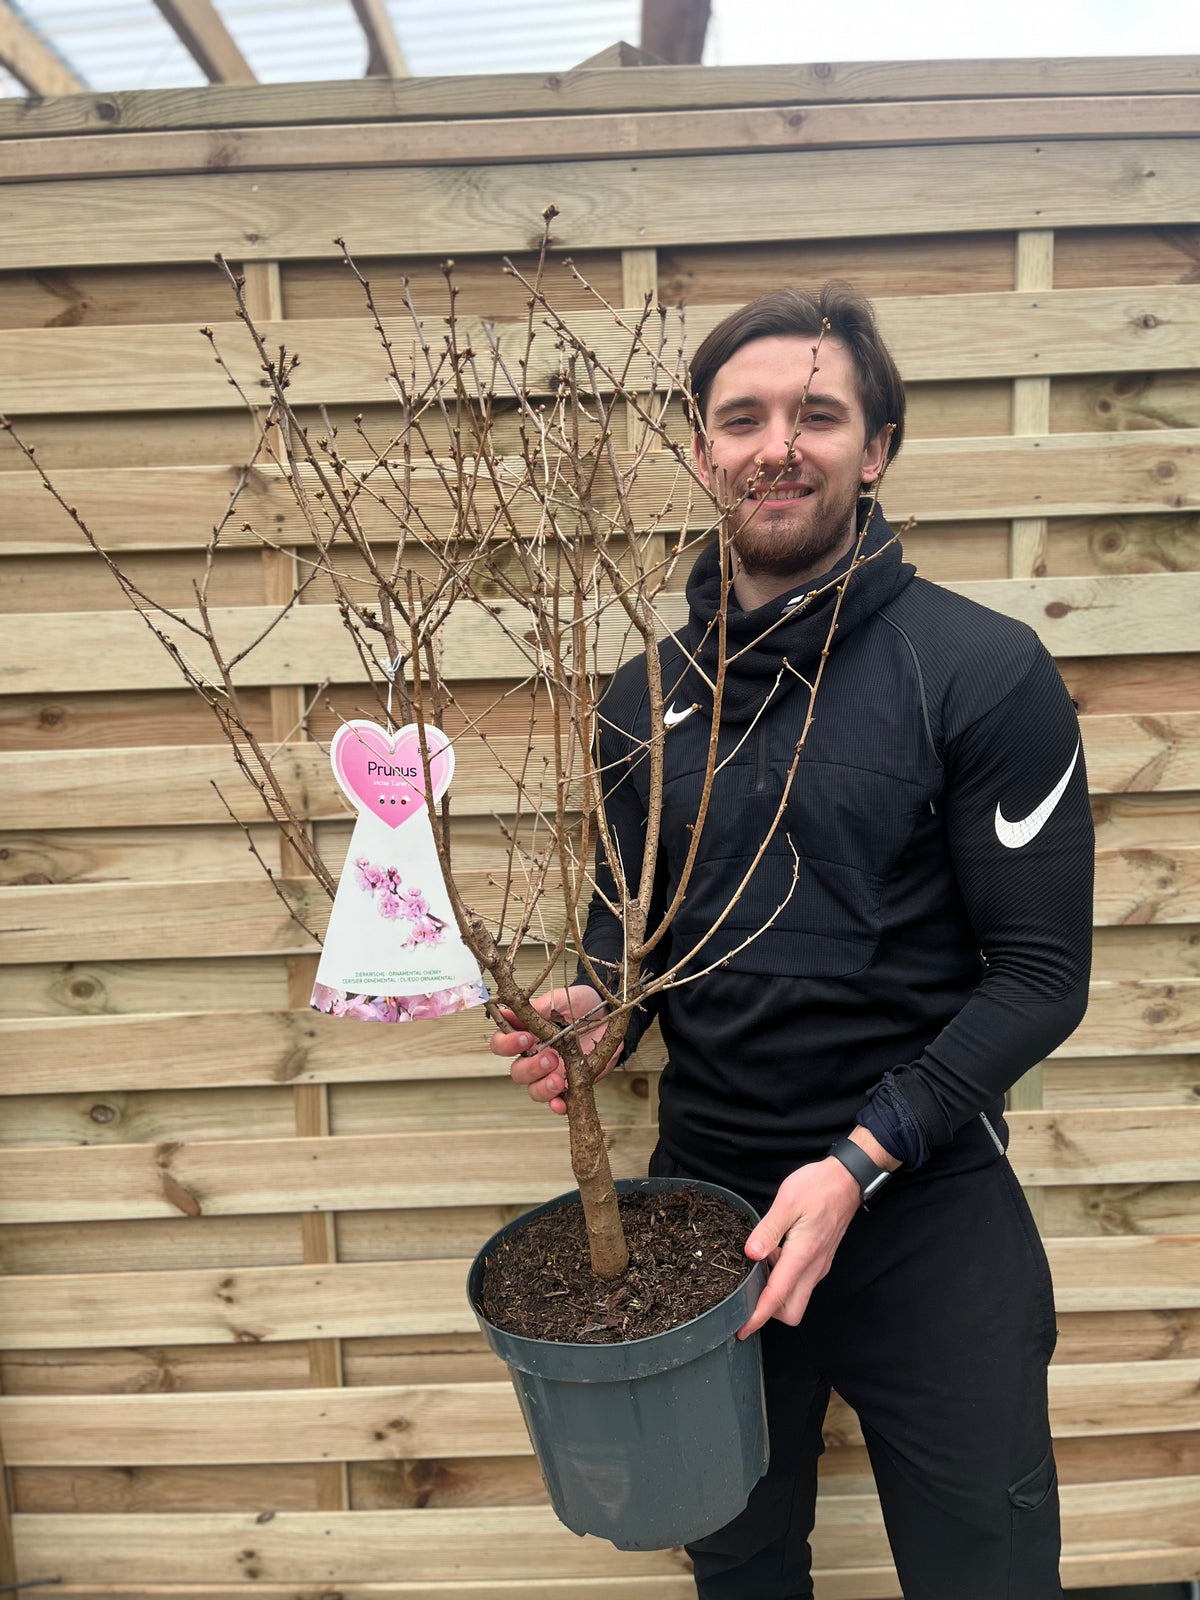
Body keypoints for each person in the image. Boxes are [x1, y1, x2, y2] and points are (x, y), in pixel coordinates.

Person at [490, 285, 1093, 1599]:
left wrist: (862, 1156)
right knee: (740, 1565)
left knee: (989, 1567)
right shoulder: (641, 704)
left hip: (925, 1210)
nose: (779, 443)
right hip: (704, 1223)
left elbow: (1044, 978)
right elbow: (629, 949)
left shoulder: (982, 671)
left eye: (817, 413)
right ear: (704, 452)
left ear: (874, 448)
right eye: (743, 416)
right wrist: (596, 1014)